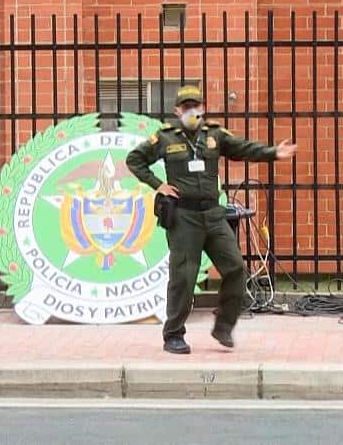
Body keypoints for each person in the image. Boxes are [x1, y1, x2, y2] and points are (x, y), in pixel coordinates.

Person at [126, 85, 297, 354]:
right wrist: (158, 185)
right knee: (183, 276)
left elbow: (243, 148)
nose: (191, 111)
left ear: (203, 108)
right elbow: (134, 160)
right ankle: (173, 334)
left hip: (213, 214)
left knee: (236, 267)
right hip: (184, 217)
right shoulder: (165, 138)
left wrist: (273, 153)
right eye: (186, 107)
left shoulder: (215, 135)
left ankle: (224, 326)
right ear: (177, 111)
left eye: (196, 105)